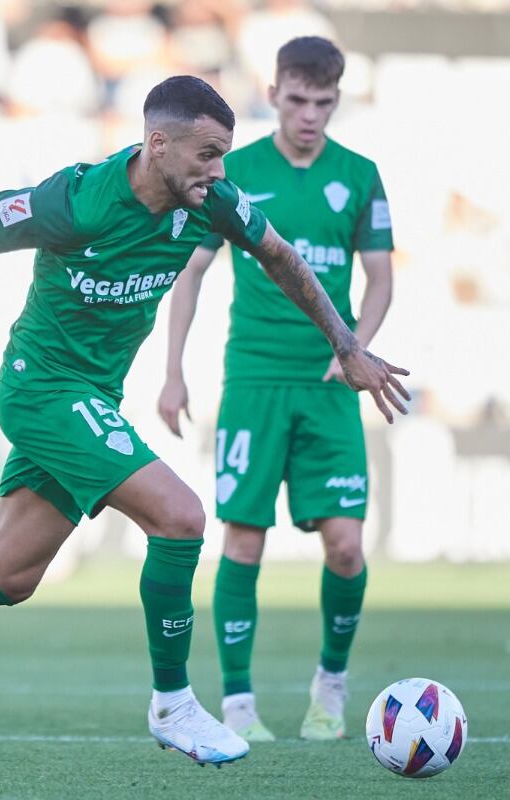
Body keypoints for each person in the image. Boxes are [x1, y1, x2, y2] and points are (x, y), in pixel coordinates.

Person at [0, 75, 408, 766]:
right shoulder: (75, 203)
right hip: (41, 390)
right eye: (207, 154)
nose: (219, 171)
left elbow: (281, 257)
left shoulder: (212, 203)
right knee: (182, 516)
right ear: (158, 144)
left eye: (225, 155)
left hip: (93, 397)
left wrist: (348, 345)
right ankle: (174, 705)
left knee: (6, 574)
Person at [157, 39, 397, 742]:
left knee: (347, 547)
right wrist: (173, 370)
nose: (309, 115)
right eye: (297, 100)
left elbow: (380, 278)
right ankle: (238, 705)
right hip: (254, 380)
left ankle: (331, 686)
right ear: (274, 94)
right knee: (243, 540)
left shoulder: (359, 175)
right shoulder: (236, 171)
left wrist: (353, 345)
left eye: (324, 103)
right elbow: (192, 272)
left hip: (329, 384)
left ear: (336, 101)